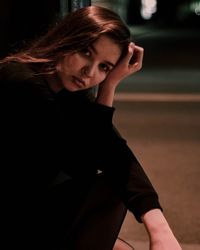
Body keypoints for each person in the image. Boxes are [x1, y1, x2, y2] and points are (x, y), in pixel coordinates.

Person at [0, 5, 182, 250]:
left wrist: (159, 226)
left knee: (116, 180)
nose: (89, 72)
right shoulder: (22, 83)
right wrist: (107, 89)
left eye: (104, 67)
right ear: (65, 39)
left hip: (33, 210)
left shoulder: (65, 91)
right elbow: (81, 164)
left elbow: (114, 153)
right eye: (85, 52)